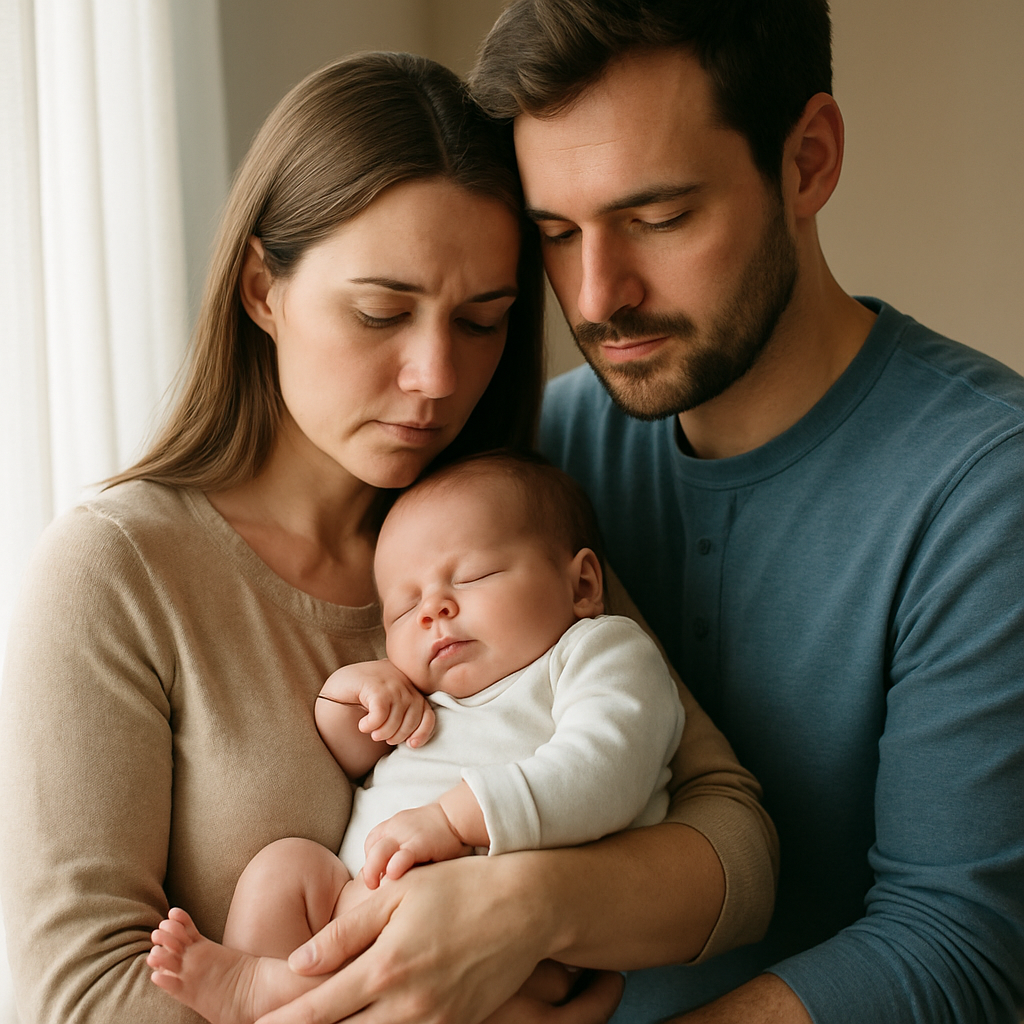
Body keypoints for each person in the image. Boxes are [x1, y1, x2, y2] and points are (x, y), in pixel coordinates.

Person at [0, 50, 778, 1024]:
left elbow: (737, 846)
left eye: (483, 321)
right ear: (260, 288)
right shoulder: (116, 573)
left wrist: (518, 909)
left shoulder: (501, 534)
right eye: (381, 312)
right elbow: (75, 993)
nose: (435, 378)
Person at [471, 2, 1024, 1023]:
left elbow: (959, 949)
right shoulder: (535, 468)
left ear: (807, 161)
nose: (597, 296)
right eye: (555, 232)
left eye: (658, 217)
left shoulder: (986, 485)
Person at [146, 451, 686, 1024]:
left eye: (473, 576)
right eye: (404, 609)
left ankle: (281, 995)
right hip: (357, 904)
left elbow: (606, 767)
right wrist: (353, 695)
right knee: (286, 870)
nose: (434, 610)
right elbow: (354, 756)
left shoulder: (593, 652)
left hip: (504, 940)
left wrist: (454, 820)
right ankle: (263, 982)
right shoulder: (426, 696)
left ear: (581, 584)